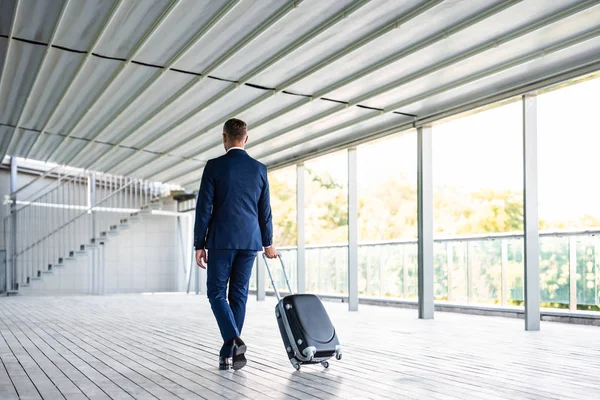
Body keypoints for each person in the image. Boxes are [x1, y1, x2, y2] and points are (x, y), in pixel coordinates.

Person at [194, 118, 278, 371]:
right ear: (246, 138)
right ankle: (228, 353)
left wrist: (199, 243)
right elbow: (265, 211)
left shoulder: (214, 166)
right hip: (250, 242)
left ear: (224, 137)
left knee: (216, 293)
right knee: (238, 295)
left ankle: (234, 340)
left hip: (221, 240)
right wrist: (268, 243)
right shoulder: (259, 168)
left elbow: (204, 208)